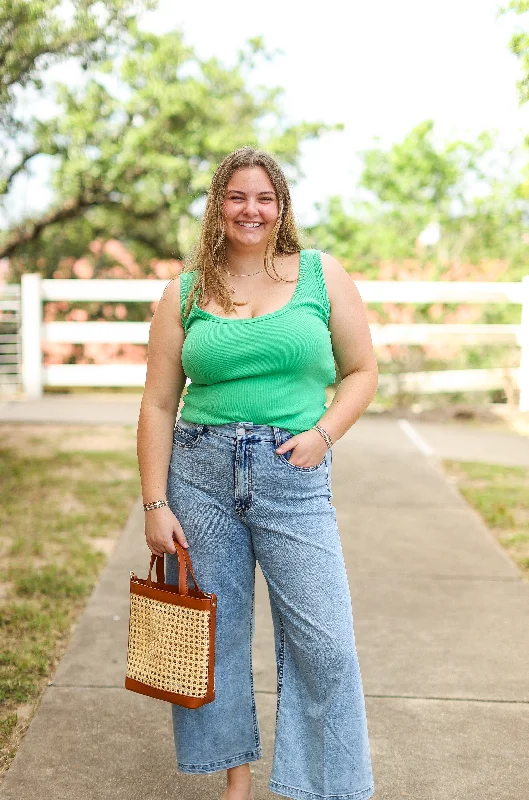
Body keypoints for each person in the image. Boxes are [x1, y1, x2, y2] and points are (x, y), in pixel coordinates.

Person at [136, 146, 378, 800]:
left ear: (281, 207)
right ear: (218, 205)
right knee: (213, 640)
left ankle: (324, 787)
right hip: (199, 477)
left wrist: (322, 436)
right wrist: (155, 503)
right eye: (237, 196)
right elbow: (158, 401)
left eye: (264, 198)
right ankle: (235, 782)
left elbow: (362, 373)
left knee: (326, 647)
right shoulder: (184, 292)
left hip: (291, 476)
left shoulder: (320, 275)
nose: (251, 209)